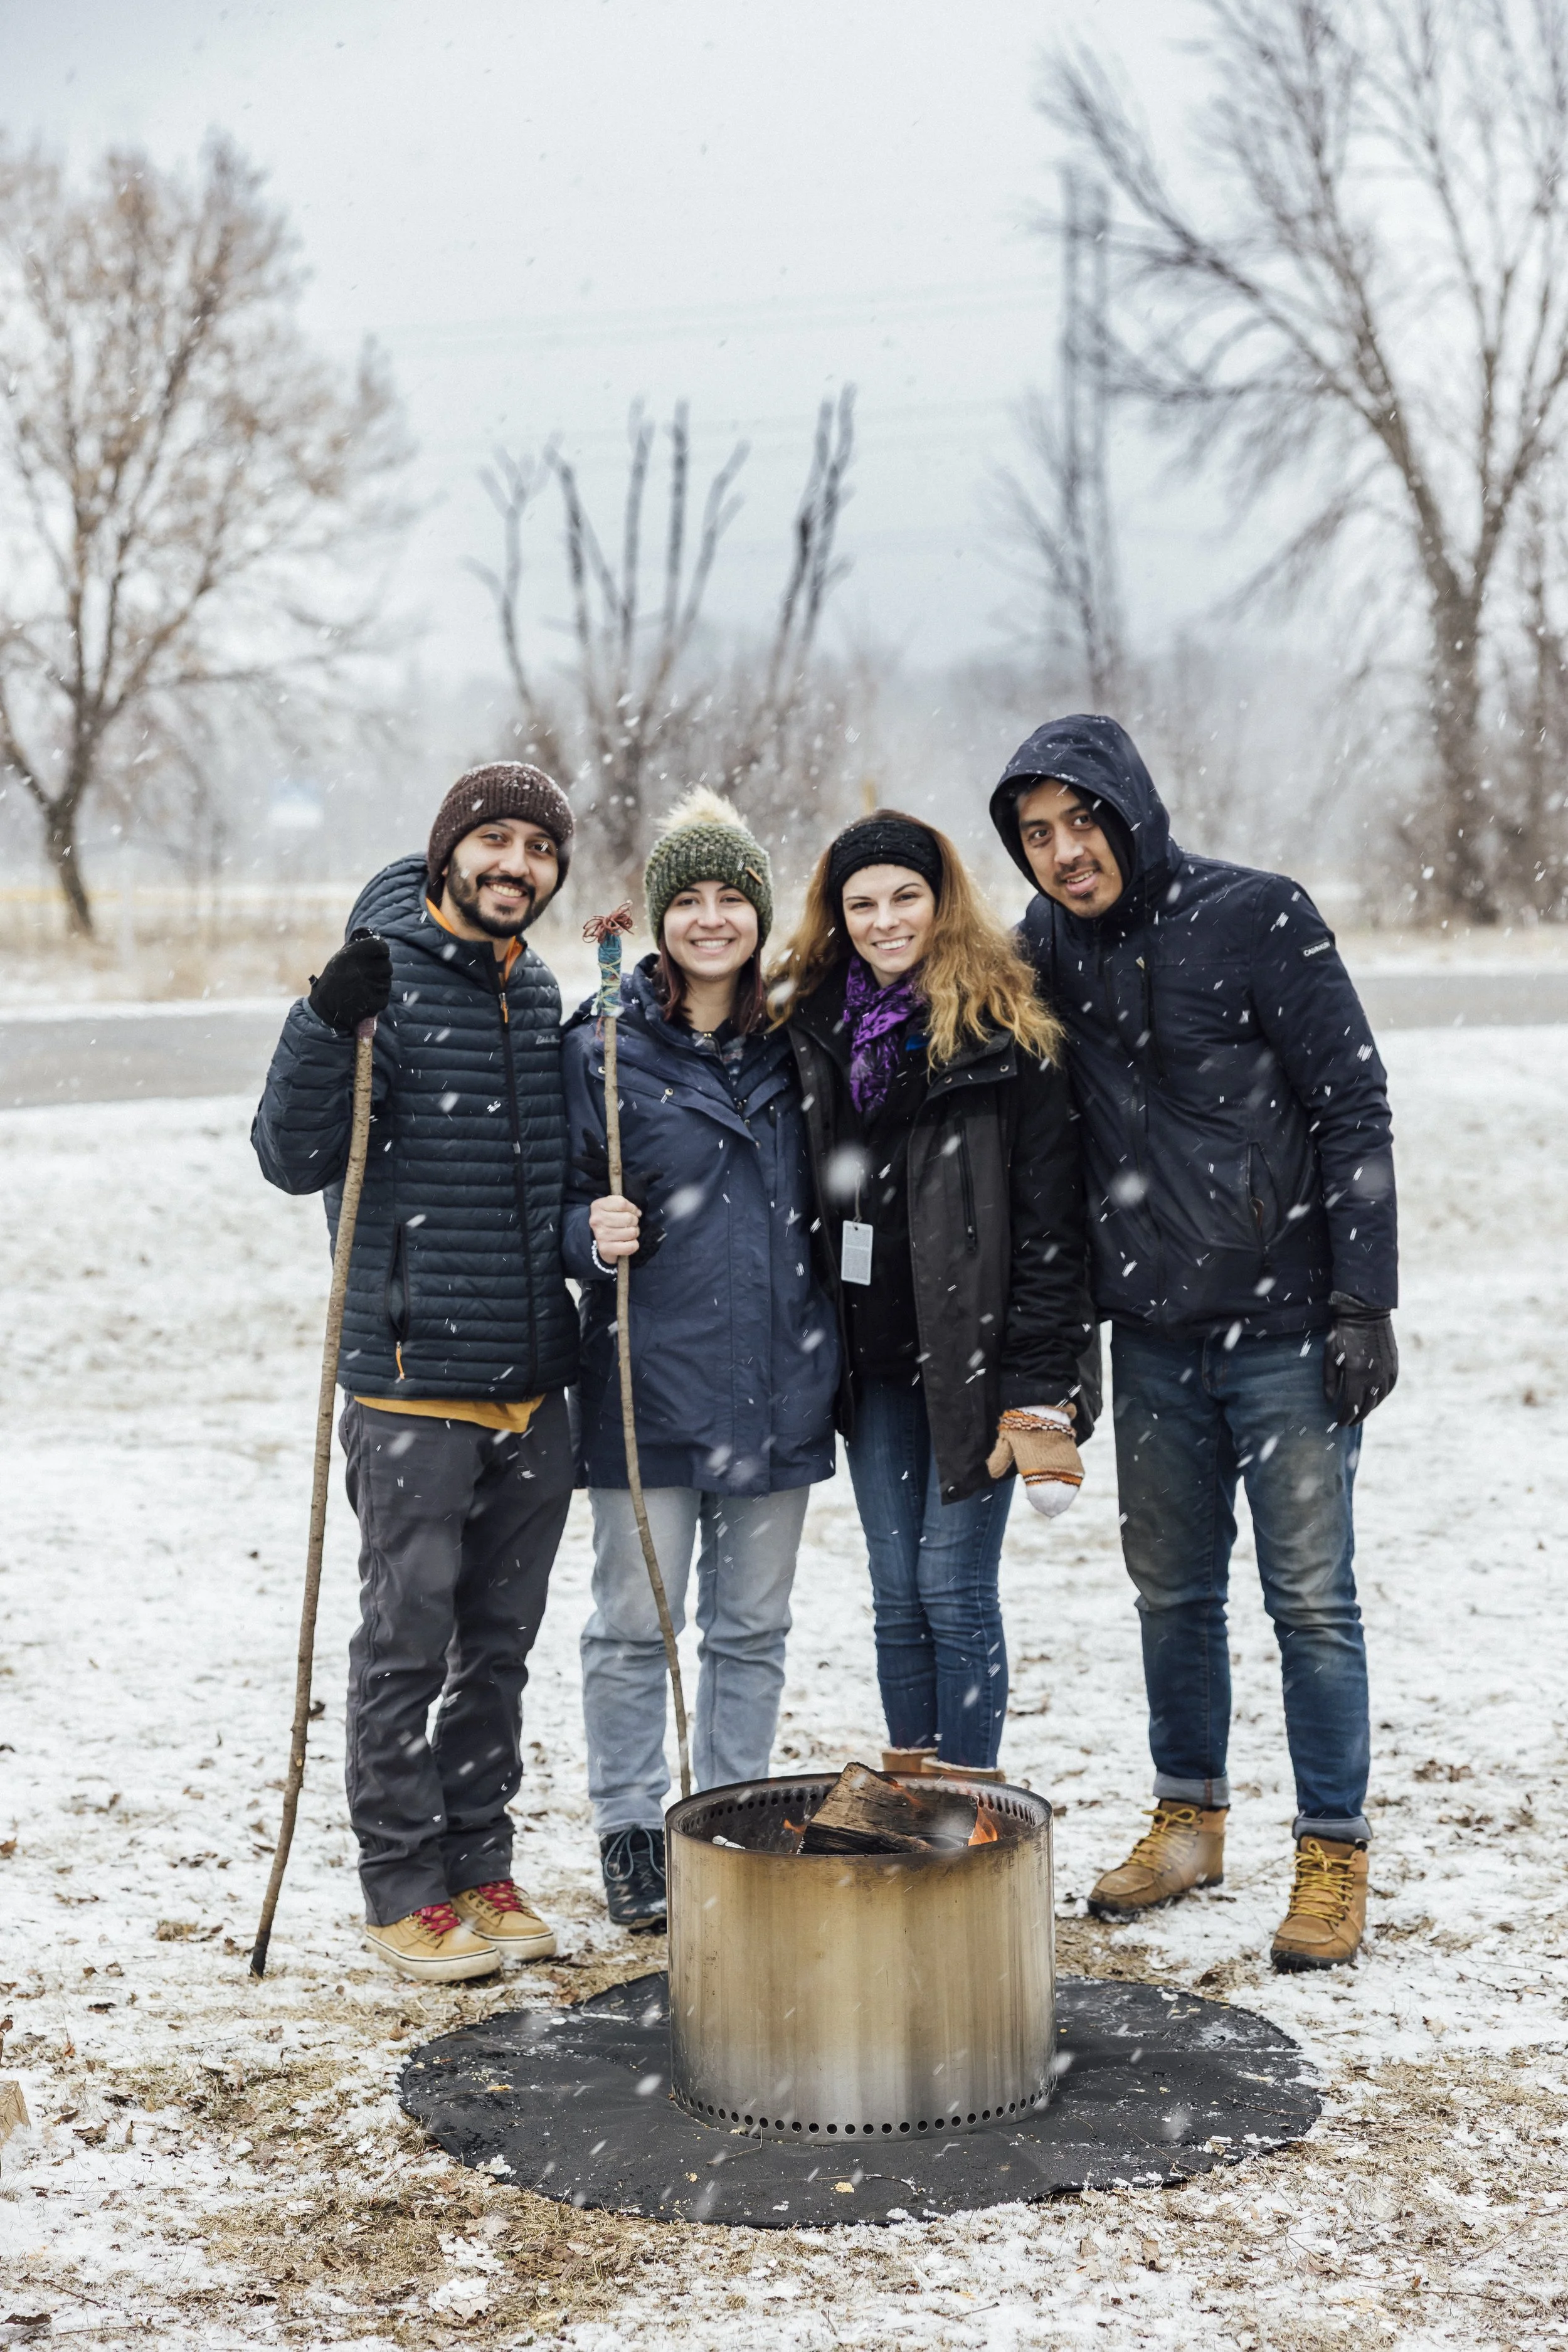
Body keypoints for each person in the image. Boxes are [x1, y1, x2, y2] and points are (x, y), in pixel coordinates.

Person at [990, 714, 1398, 1971]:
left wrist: (1360, 1302)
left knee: (1310, 1603)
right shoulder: (1041, 953)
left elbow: (1349, 1105)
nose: (1063, 855)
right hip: (1151, 1338)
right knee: (1170, 1596)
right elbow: (999, 1103)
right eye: (1035, 836)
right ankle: (1188, 1817)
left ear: (1129, 809)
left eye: (1079, 823)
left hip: (1283, 1330)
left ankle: (1328, 1853)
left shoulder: (1256, 915)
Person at [253, 763, 581, 1983]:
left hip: (534, 1387)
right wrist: (321, 1020)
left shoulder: (535, 987)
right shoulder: (379, 981)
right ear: (449, 853)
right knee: (406, 1647)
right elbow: (288, 1157)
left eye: (538, 848)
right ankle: (401, 1888)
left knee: (498, 1648)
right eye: (493, 840)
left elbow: (543, 1181)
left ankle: (477, 1865)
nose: (516, 865)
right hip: (408, 1389)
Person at [561, 790, 839, 1930]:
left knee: (753, 1624)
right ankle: (632, 1825)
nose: (712, 919)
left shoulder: (803, 1043)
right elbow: (551, 1200)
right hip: (650, 1379)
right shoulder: (602, 1046)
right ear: (662, 917)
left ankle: (730, 1812)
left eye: (734, 898)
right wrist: (585, 1229)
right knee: (638, 1614)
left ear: (761, 916)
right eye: (690, 899)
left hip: (781, 1373)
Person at [771, 810, 1093, 1776]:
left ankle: (967, 1806)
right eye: (861, 901)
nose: (883, 919)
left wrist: (1039, 1379)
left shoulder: (1006, 1030)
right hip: (871, 1363)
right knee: (895, 1590)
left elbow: (1052, 1228)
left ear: (942, 899)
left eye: (905, 895)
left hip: (975, 1359)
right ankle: (912, 1796)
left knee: (952, 1585)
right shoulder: (816, 1025)